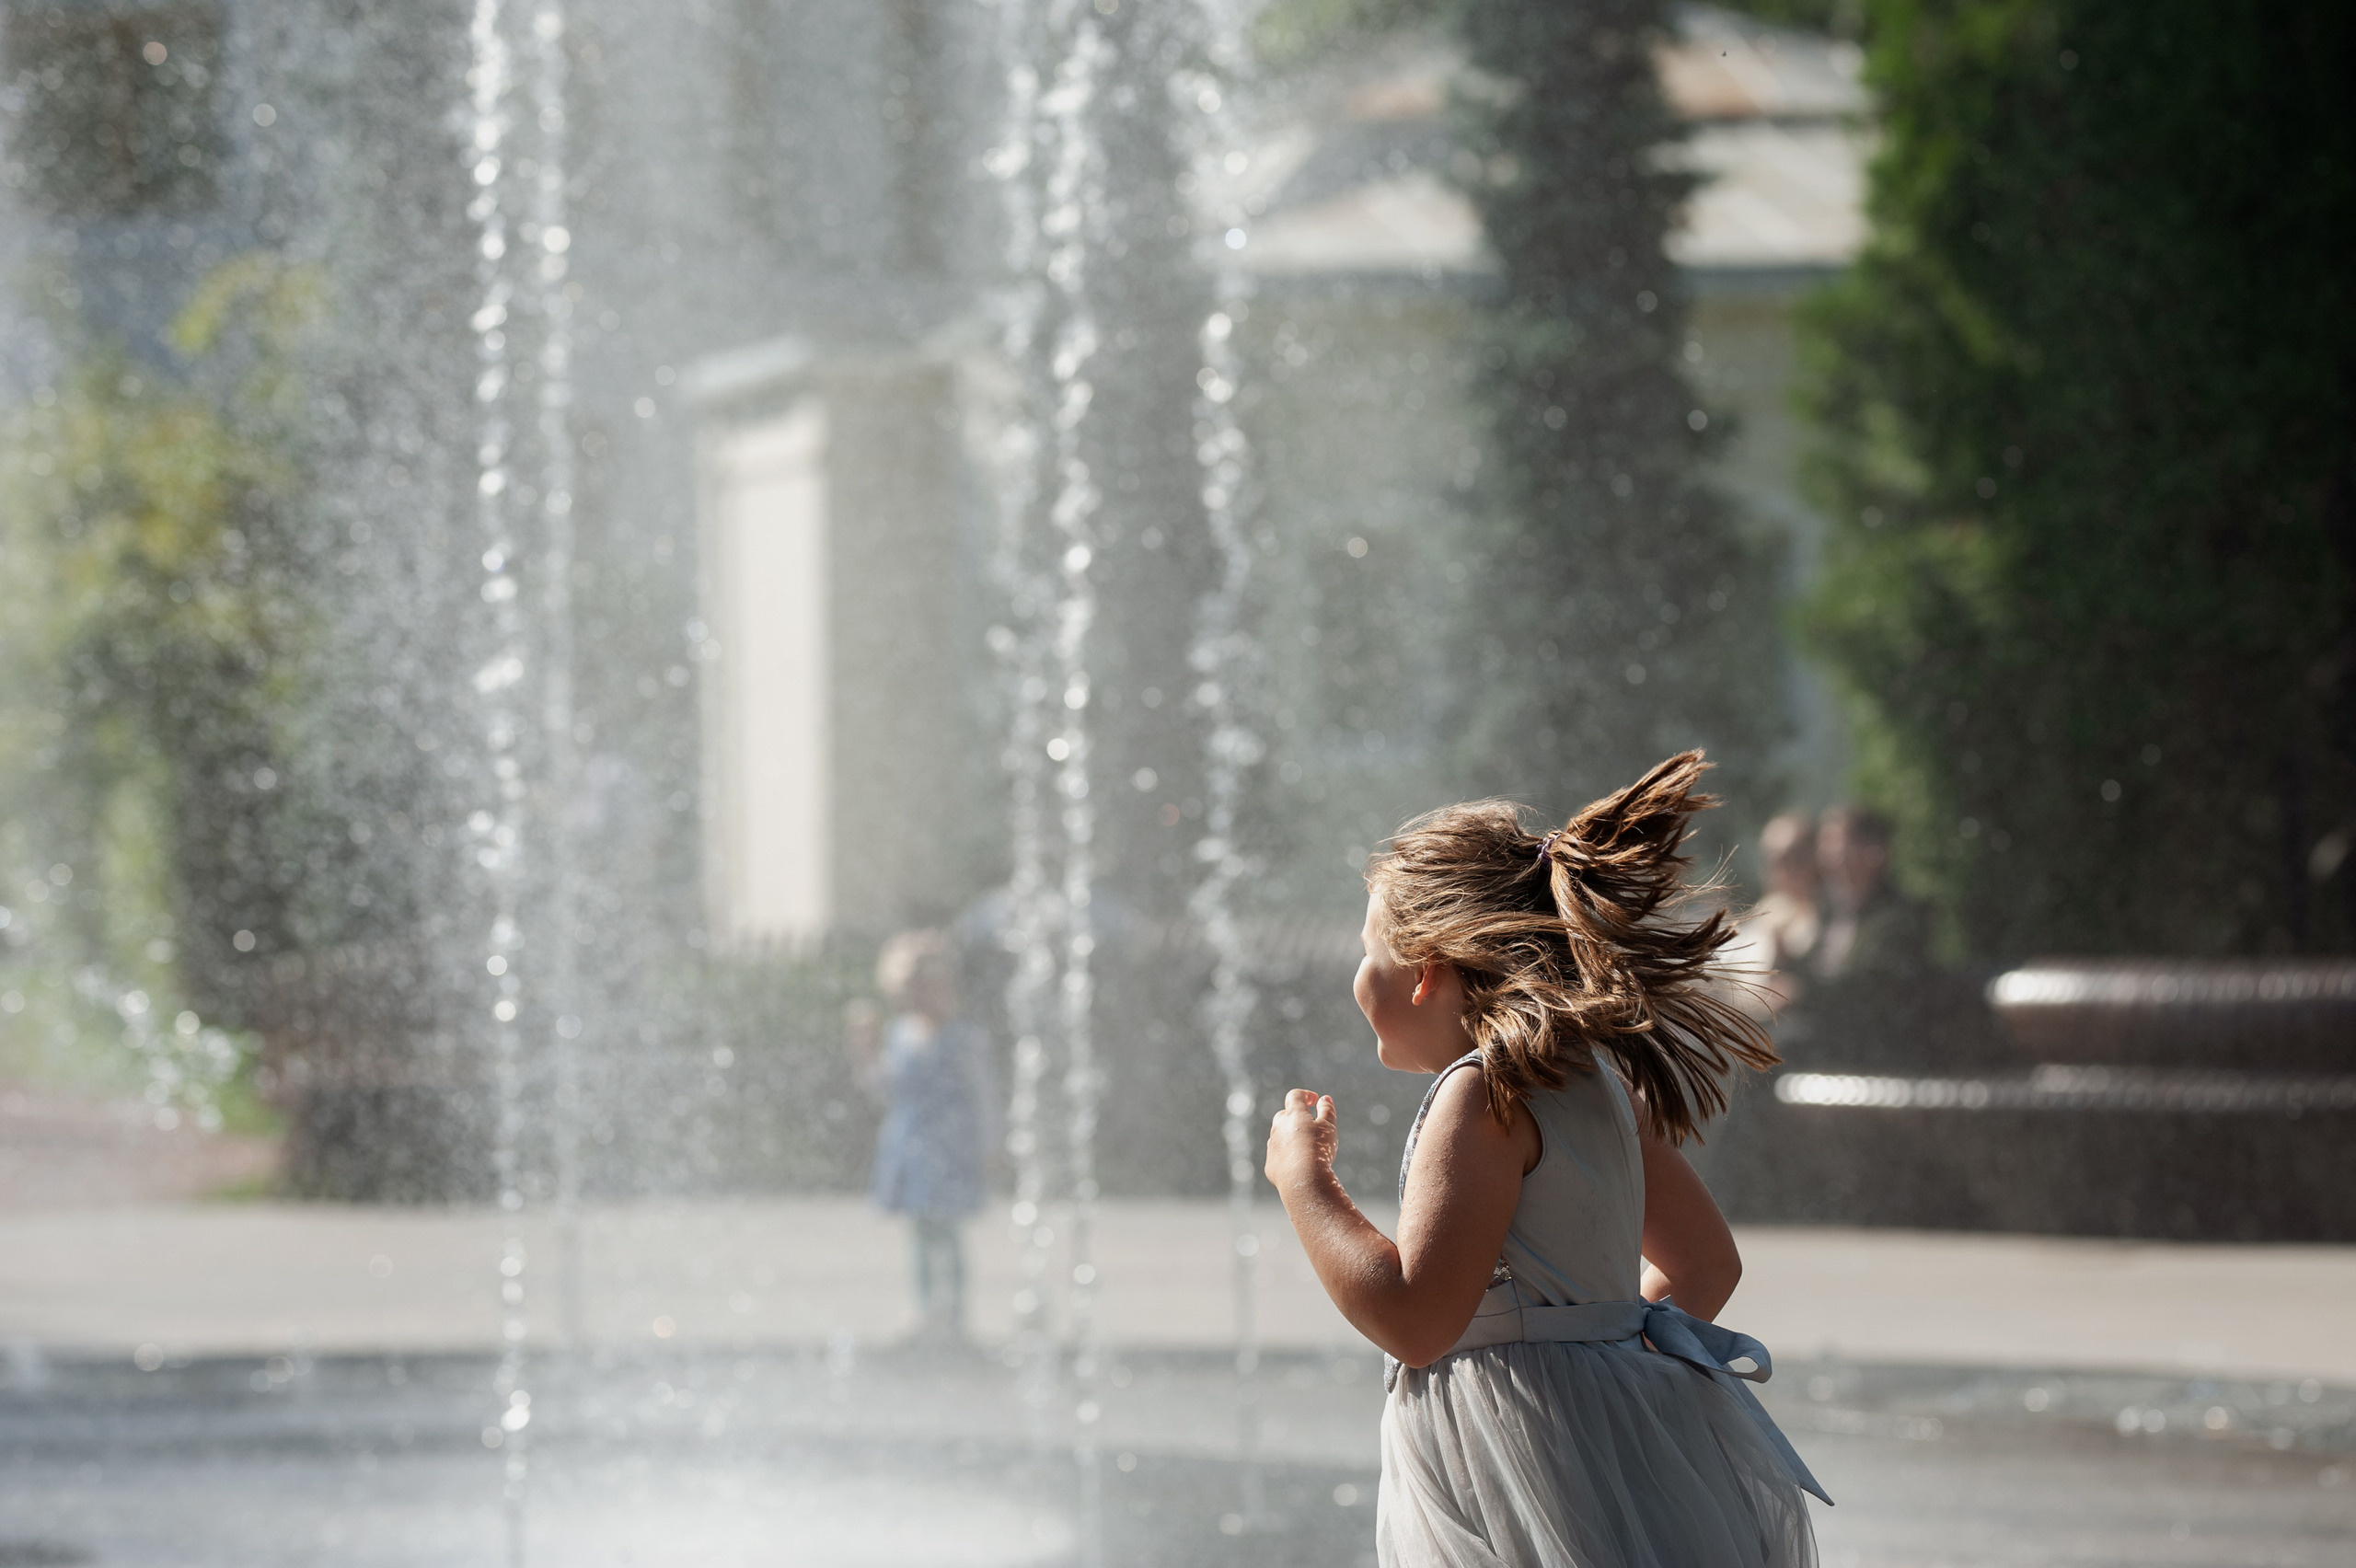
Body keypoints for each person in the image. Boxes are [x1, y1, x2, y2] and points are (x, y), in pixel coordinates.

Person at [1265, 752, 1829, 1567]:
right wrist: (1612, 1370)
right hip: (1621, 1447)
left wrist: (1304, 1178)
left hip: (1520, 1467)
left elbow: (1416, 1322)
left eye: (1368, 950)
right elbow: (1707, 1265)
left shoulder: (1479, 1095)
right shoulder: (1597, 1082)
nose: (1358, 976)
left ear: (1427, 972)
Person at [860, 929, 993, 1343]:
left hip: (949, 1145)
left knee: (947, 1229)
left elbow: (984, 1095)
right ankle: (923, 1309)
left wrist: (991, 1144)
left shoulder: (964, 1039)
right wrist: (864, 1051)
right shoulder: (901, 1034)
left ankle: (953, 1312)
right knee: (920, 1229)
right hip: (911, 1143)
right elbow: (886, 1088)